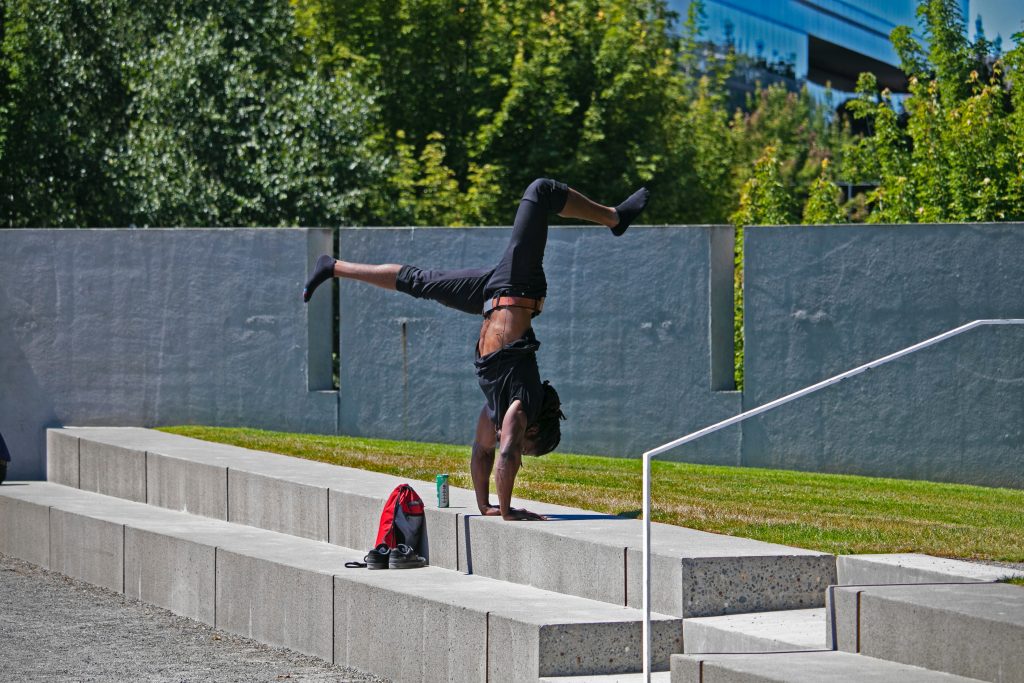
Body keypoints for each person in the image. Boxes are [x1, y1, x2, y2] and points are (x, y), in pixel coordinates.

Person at [303, 179, 649, 520]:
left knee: (418, 282)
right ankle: (615, 218)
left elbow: (482, 451)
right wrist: (509, 510)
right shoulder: (522, 403)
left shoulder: (495, 413)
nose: (512, 447)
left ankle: (332, 266)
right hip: (518, 285)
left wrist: (485, 505)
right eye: (528, 447)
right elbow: (508, 453)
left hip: (491, 292)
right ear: (533, 430)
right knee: (540, 191)